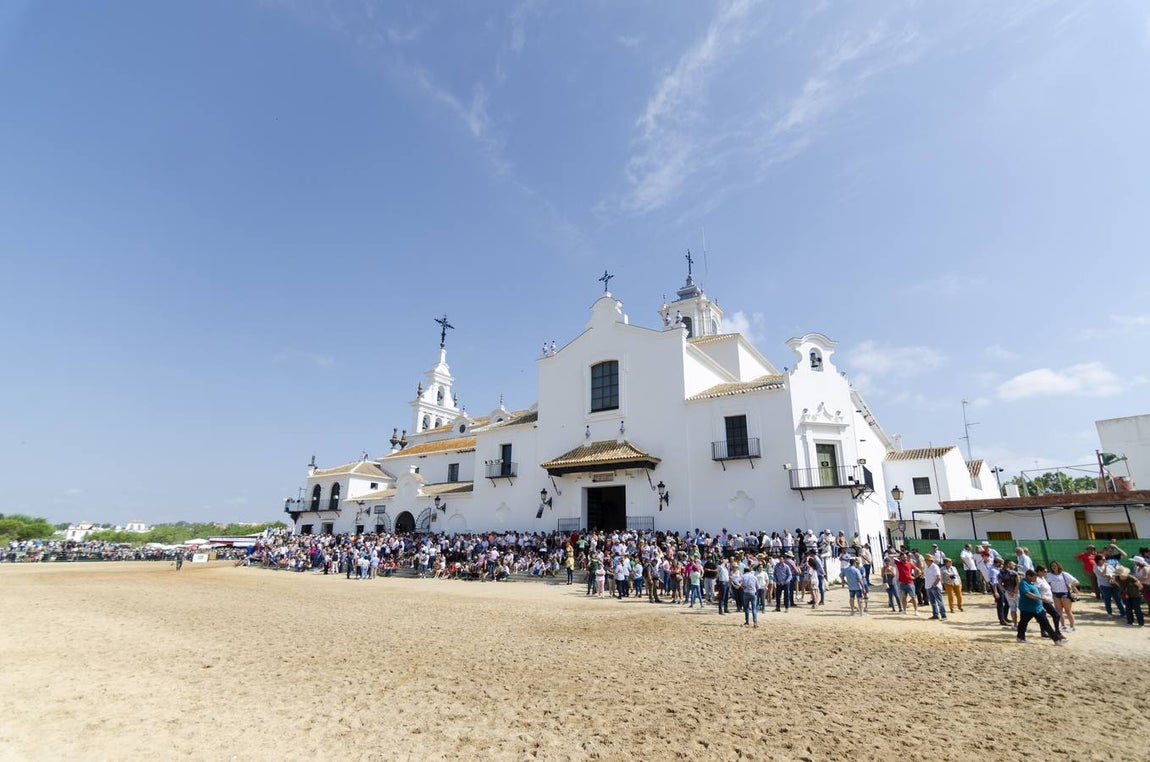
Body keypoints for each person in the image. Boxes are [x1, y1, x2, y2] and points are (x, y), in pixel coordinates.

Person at [1017, 570, 1065, 645]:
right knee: (1023, 623)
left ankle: (1057, 639)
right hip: (1027, 608)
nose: (1036, 578)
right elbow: (1027, 593)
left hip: (1037, 608)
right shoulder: (1024, 583)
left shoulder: (1031, 583)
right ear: (1029, 576)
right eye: (1034, 577)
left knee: (1045, 623)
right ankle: (1020, 637)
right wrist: (1042, 599)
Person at [1046, 560, 1079, 632]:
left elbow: (1076, 582)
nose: (1054, 567)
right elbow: (1047, 584)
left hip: (1065, 594)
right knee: (1059, 611)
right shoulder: (1049, 575)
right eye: (1052, 566)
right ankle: (1063, 625)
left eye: (1055, 566)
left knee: (1068, 611)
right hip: (1055, 594)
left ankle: (1072, 626)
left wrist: (1071, 585)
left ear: (1058, 566)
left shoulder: (1064, 574)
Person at [922, 554, 947, 621]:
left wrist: (934, 585)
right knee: (932, 602)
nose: (925, 561)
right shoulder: (927, 567)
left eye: (926, 560)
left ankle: (943, 616)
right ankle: (935, 615)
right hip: (928, 587)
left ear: (930, 560)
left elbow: (938, 577)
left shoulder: (935, 567)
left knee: (939, 602)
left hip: (934, 587)